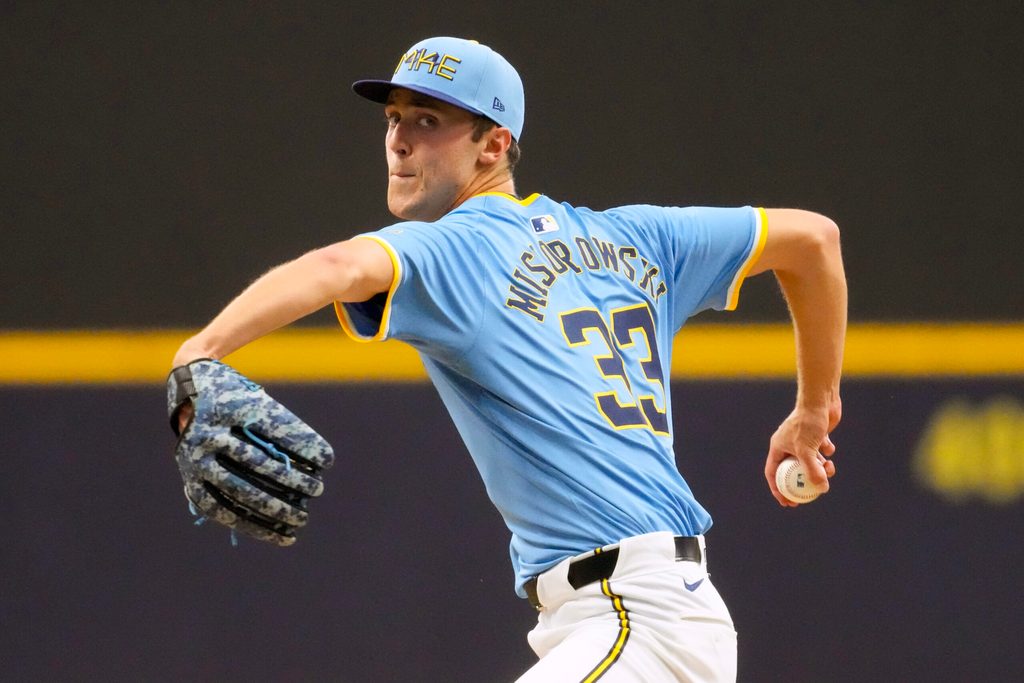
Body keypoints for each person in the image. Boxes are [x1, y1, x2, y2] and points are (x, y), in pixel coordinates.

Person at [172, 36, 846, 682]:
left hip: (634, 619)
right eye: (394, 117)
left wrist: (201, 352)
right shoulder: (640, 237)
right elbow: (814, 241)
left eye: (429, 119)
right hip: (640, 616)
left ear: (494, 144)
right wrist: (814, 408)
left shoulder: (458, 249)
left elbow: (338, 266)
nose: (398, 139)